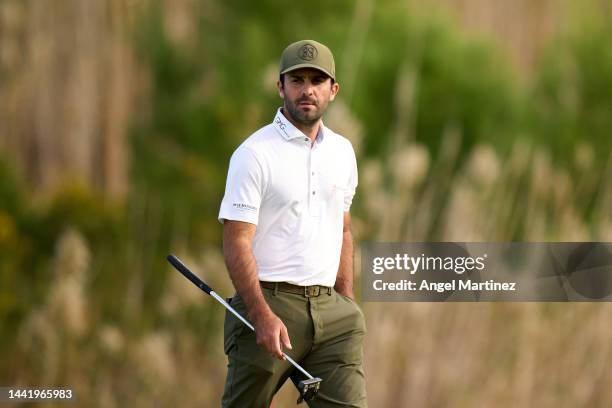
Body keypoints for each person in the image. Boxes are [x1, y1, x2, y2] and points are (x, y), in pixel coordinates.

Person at [218, 39, 367, 407]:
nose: (307, 90)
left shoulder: (342, 152)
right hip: (269, 305)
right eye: (297, 80)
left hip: (331, 313)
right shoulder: (254, 154)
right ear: (280, 86)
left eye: (316, 81)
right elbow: (236, 240)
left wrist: (346, 302)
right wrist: (261, 315)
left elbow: (343, 229)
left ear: (333, 90)